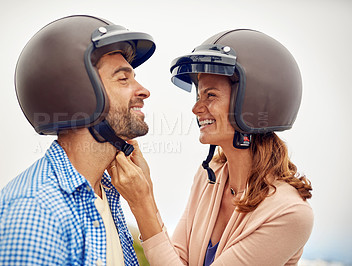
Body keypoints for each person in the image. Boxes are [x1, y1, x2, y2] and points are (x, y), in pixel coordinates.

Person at [109, 29, 314, 265]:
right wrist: (146, 189)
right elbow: (176, 259)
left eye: (211, 95)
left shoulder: (289, 214)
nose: (197, 108)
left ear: (252, 103)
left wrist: (141, 202)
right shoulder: (210, 176)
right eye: (198, 96)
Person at [0, 15, 155, 265]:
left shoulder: (104, 195)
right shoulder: (34, 216)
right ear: (79, 96)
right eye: (123, 79)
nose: (143, 90)